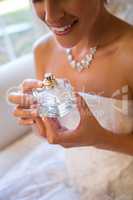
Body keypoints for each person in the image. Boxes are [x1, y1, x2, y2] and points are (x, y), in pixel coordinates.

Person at [7, 0, 133, 199]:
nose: (50, 16)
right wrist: (37, 117)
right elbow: (52, 126)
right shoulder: (43, 51)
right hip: (77, 178)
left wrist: (102, 139)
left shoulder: (130, 54)